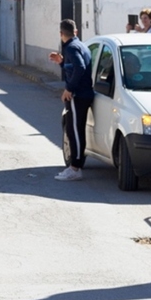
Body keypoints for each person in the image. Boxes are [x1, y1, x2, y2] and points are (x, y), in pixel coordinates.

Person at [48, 19, 94, 182]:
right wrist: (61, 62)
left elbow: (80, 67)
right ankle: (75, 165)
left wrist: (69, 89)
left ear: (61, 33)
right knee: (76, 129)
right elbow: (73, 67)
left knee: (73, 130)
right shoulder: (81, 46)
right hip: (84, 93)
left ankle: (75, 167)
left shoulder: (72, 48)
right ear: (75, 31)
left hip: (78, 95)